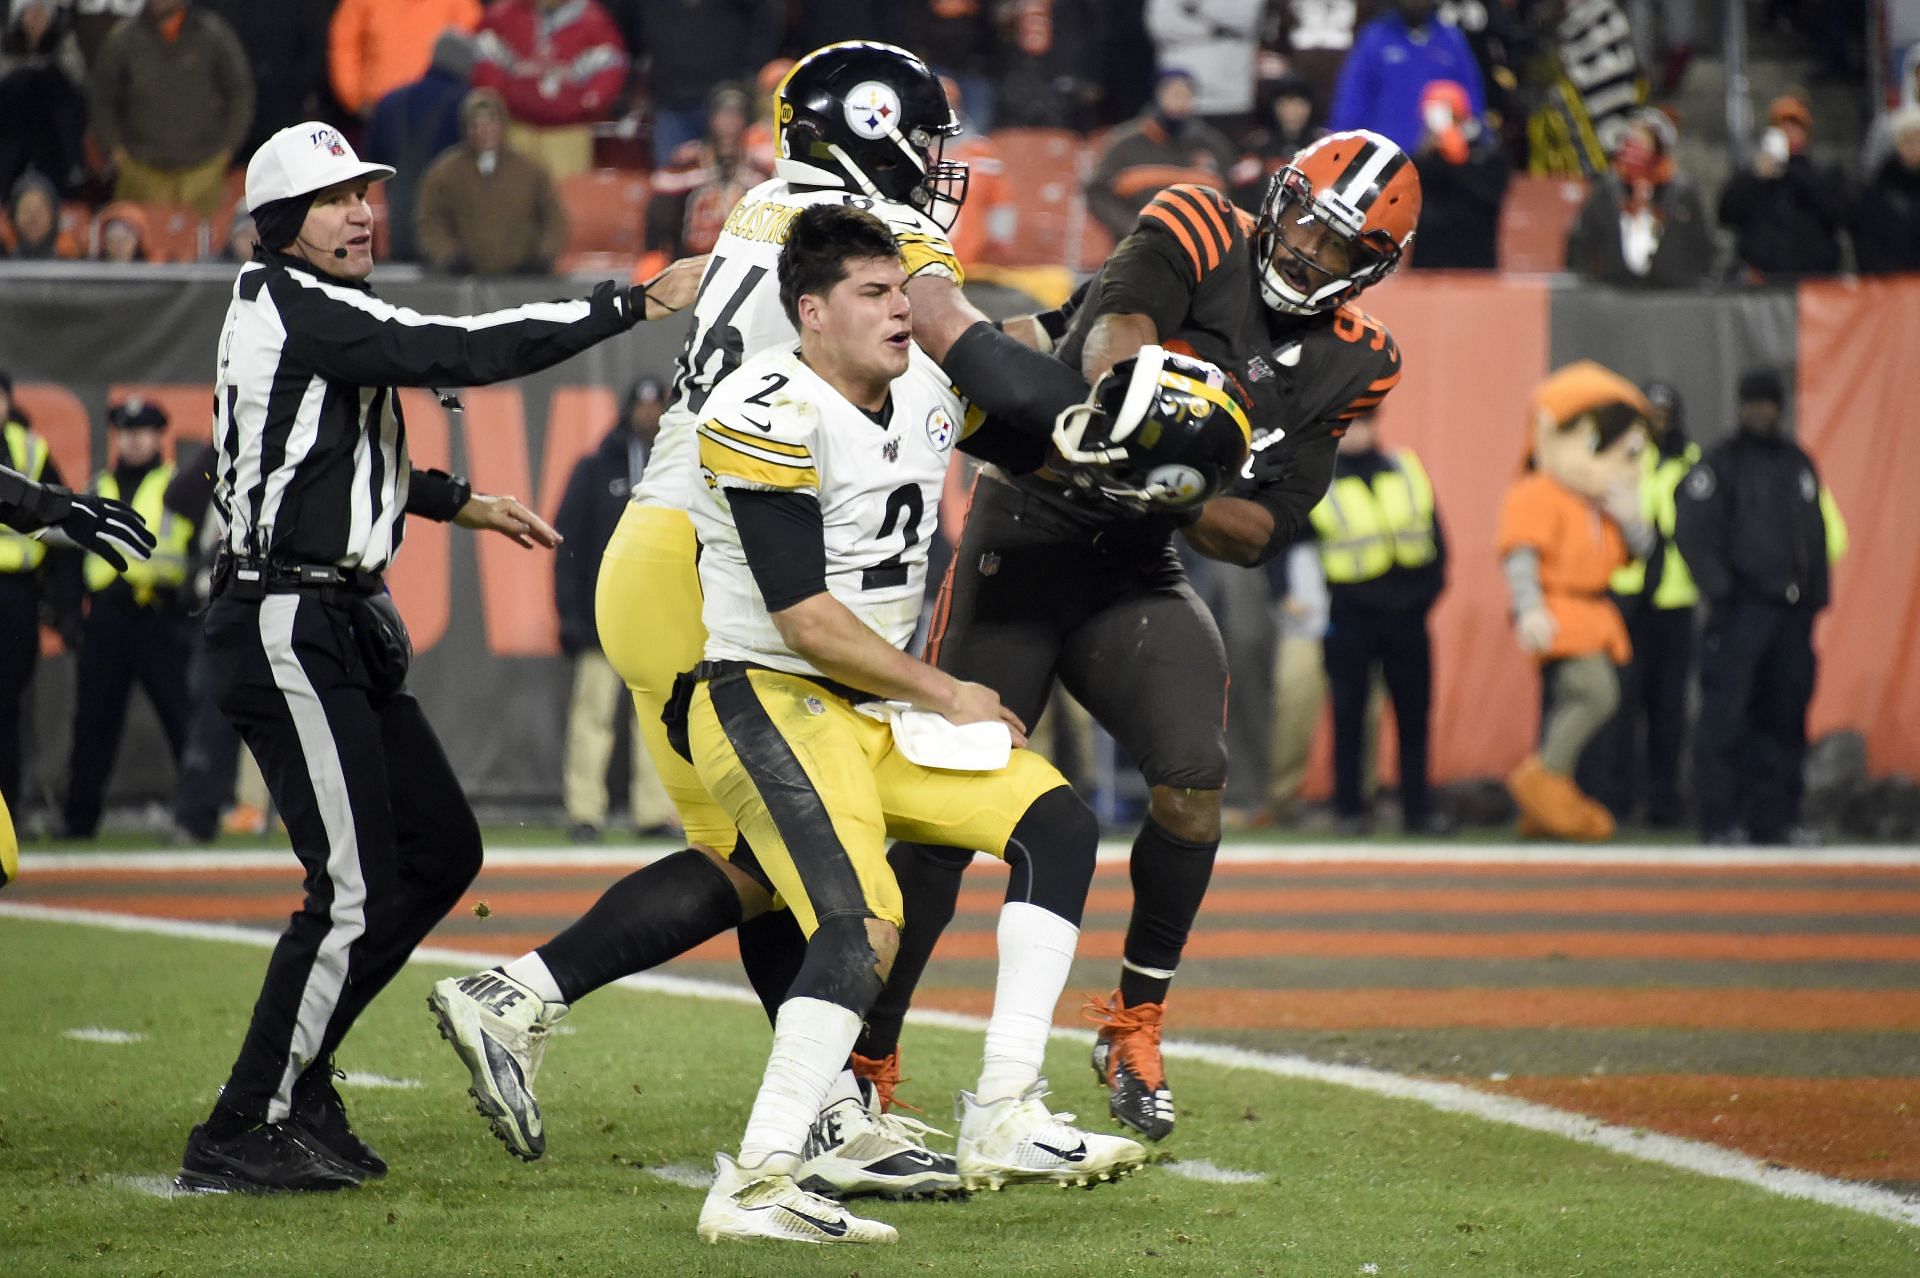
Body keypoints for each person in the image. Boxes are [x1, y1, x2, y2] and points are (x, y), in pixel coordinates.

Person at [426, 40, 997, 1200]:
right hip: (715, 562)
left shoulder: (754, 213)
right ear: (873, 131)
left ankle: (826, 1106)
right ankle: (528, 997)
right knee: (785, 858)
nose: (936, 169)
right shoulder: (876, 247)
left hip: (663, 545)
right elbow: (978, 361)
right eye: (923, 141)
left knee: (760, 858)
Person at [170, 119, 700, 1196]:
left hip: (330, 619)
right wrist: (629, 301)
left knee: (440, 851)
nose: (362, 212)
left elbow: (327, 451)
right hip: (287, 621)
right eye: (334, 200)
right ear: (280, 223)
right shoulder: (298, 305)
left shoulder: (299, 311)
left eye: (366, 192)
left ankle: (298, 1076)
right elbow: (453, 349)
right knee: (354, 888)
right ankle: (247, 1118)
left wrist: (457, 499)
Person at [869, 129, 1421, 1142]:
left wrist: (1172, 485)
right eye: (1301, 215)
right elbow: (1111, 330)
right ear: (1279, 193)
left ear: (1372, 268)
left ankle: (1133, 1022)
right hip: (1030, 529)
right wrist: (1138, 424)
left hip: (1138, 557)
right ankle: (871, 1053)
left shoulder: (1359, 359)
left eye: (1335, 244)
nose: (1303, 247)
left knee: (1193, 780)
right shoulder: (1198, 221)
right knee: (944, 815)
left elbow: (1261, 532)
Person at [682, 203, 1149, 1243]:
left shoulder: (927, 389)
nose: (904, 312)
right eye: (875, 294)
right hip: (771, 695)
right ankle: (756, 1179)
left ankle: (1004, 1110)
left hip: (876, 709)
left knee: (1058, 825)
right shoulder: (766, 405)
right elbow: (805, 621)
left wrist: (1142, 448)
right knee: (863, 927)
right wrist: (947, 692)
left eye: (904, 290)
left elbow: (1045, 447)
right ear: (810, 312)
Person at [1674, 368, 1847, 847]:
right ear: (1740, 406)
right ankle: (1721, 820)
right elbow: (1691, 530)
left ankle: (1776, 821)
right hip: (1741, 612)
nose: (1761, 411)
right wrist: (1722, 591)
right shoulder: (1720, 464)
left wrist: (1814, 597)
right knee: (1727, 715)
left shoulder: (1797, 463)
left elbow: (1815, 532)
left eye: (1768, 402)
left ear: (1780, 407)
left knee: (1784, 716)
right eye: (1753, 402)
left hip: (1791, 615)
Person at [1498, 362, 1652, 842]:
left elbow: (1641, 551)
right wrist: (1529, 608)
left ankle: (1541, 810)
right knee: (1597, 692)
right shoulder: (1537, 493)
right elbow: (1521, 554)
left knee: (1573, 700)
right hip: (1560, 610)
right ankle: (1542, 777)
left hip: (1595, 611)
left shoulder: (1599, 503)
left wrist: (1630, 517)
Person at [60, 399, 196, 839]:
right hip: (106, 619)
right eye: (126, 430)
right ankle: (78, 822)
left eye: (144, 430)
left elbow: (198, 552)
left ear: (160, 435)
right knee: (93, 722)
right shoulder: (97, 487)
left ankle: (197, 815)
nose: (135, 439)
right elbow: (70, 555)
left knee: (184, 717)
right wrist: (69, 614)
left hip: (161, 615)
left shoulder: (179, 486)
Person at [1308, 408, 1447, 834]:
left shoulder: (1405, 469)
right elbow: (1299, 554)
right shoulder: (1319, 482)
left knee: (1414, 716)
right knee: (1349, 715)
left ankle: (1417, 809)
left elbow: (1436, 540)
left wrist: (1424, 597)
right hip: (1349, 617)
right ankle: (1349, 809)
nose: (1356, 431)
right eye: (1347, 423)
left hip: (1407, 616)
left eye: (1364, 420)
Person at [553, 375, 673, 843]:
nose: (650, 414)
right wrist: (571, 614)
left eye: (658, 406)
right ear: (627, 410)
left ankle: (653, 812)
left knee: (654, 720)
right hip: (600, 618)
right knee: (592, 716)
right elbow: (569, 545)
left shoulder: (677, 468)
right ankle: (584, 811)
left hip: (657, 619)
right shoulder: (597, 468)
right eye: (642, 406)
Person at [1577, 380, 1697, 829]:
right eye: (1653, 414)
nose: (1659, 423)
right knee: (1619, 705)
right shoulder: (1619, 460)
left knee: (1669, 710)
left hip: (1674, 599)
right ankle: (1617, 800)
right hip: (1625, 597)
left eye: (1666, 414)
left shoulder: (1693, 464)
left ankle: (1664, 805)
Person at [0, 371, 93, 815]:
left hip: (15, 595)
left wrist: (65, 604)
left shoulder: (30, 450)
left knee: (6, 706)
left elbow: (58, 528)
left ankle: (7, 813)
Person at [86, 0, 253, 216]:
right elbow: (101, 97)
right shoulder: (124, 38)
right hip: (140, 169)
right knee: (139, 244)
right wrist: (115, 150)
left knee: (201, 245)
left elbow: (240, 90)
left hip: (202, 169)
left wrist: (228, 148)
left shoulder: (212, 34)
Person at [416, 88, 568, 276]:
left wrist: (543, 258)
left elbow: (554, 219)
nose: (484, 131)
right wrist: (449, 256)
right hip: (464, 282)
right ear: (466, 129)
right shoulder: (444, 172)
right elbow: (430, 221)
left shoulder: (531, 170)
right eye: (476, 125)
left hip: (521, 280)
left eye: (491, 123)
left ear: (503, 125)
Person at [472, 0, 627, 181]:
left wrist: (586, 101)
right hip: (516, 128)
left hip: (568, 133)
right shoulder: (502, 16)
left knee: (564, 200)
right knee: (513, 196)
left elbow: (611, 65)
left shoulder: (592, 20)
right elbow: (485, 61)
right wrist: (500, 94)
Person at [1565, 107, 1714, 288]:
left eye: (1641, 139)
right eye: (1630, 139)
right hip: (1615, 292)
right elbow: (1581, 240)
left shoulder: (1682, 191)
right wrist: (1590, 283)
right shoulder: (1608, 189)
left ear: (1658, 144)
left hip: (1670, 294)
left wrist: (1691, 283)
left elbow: (1701, 243)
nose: (1632, 146)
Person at [364, 30, 477, 264]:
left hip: (398, 213)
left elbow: (372, 158)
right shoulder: (466, 103)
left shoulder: (390, 101)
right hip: (447, 224)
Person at [1085, 68, 1237, 239]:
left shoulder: (1214, 144)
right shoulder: (1124, 143)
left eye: (1187, 95)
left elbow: (1232, 193)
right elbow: (1097, 192)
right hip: (1139, 246)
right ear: (1158, 95)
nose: (1180, 101)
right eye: (1174, 93)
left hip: (1198, 246)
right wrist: (1130, 226)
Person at [1717, 95, 1849, 282]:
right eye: (1782, 127)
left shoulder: (1823, 172)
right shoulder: (1754, 172)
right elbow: (1726, 214)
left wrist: (1793, 169)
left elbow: (1838, 213)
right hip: (1763, 279)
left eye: (1795, 127)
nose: (1789, 133)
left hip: (1813, 281)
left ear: (1806, 133)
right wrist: (1755, 178)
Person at [1327, 0, 1484, 154]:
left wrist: (1459, 137)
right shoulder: (1375, 38)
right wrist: (1341, 147)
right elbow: (1352, 100)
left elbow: (1472, 102)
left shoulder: (1451, 40)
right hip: (1383, 159)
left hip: (1441, 160)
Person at [641, 81, 768, 269]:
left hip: (739, 264)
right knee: (649, 267)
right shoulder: (689, 160)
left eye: (736, 115)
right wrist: (701, 177)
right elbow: (660, 198)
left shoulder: (756, 168)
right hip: (688, 259)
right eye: (723, 114)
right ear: (711, 118)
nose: (729, 122)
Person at [1406, 78, 1508, 270]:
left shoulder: (1489, 155)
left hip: (1474, 259)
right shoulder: (1422, 160)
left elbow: (1489, 198)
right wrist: (1440, 153)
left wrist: (1457, 158)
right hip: (1430, 264)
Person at [329, 0, 481, 121]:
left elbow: (472, 46)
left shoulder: (460, 4)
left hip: (442, 112)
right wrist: (355, 98)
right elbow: (345, 44)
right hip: (377, 111)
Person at [0, 0, 89, 197]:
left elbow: (78, 82)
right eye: (30, 12)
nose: (36, 18)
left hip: (52, 138)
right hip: (11, 133)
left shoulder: (64, 43)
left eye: (41, 13)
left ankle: (73, 166)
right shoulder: (5, 46)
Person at [1145, 0, 1265, 138]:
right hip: (1180, 100)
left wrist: (1195, 8)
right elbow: (1163, 24)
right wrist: (1216, 29)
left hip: (1232, 97)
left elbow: (1244, 18)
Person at [1228, 71, 1323, 212]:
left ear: (1310, 107)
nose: (1291, 112)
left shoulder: (1323, 146)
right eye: (1284, 105)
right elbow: (1238, 194)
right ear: (1274, 107)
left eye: (1298, 105)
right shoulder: (1255, 147)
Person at [1851, 104, 1920, 276]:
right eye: (1908, 140)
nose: (1915, 148)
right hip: (1889, 286)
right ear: (1897, 144)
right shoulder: (1879, 188)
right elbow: (1866, 238)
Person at [3, 169, 82, 260]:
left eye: (39, 210)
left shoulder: (72, 262)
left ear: (53, 215)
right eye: (26, 210)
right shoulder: (4, 261)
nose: (33, 217)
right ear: (13, 216)